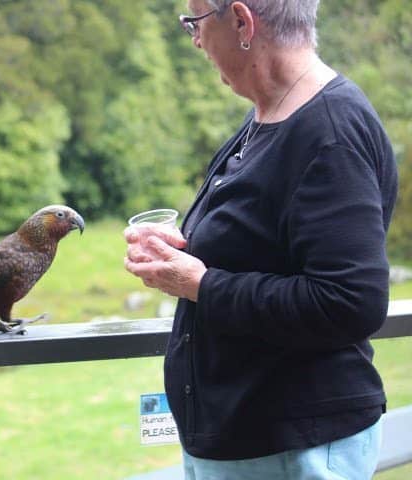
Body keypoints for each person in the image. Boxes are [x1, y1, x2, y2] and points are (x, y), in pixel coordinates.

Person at [123, 1, 398, 479]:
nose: (194, 39)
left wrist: (201, 284)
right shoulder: (270, 114)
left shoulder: (329, 134)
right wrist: (185, 246)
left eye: (196, 22)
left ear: (242, 22)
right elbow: (264, 245)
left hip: (295, 449)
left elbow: (350, 301)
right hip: (249, 442)